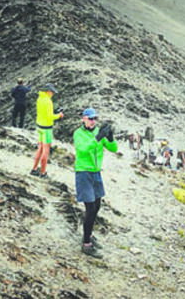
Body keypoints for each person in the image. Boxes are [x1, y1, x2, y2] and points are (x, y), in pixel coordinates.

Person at [74, 107, 118, 258]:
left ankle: (89, 234)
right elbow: (83, 150)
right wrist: (98, 138)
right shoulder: (78, 133)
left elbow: (114, 149)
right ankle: (86, 244)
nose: (93, 121)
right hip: (83, 172)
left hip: (96, 173)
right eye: (90, 118)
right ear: (83, 119)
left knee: (97, 206)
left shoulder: (98, 131)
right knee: (90, 208)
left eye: (95, 119)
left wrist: (110, 137)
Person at [30, 84, 63, 178]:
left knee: (39, 148)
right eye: (52, 92)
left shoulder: (39, 98)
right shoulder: (48, 101)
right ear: (49, 91)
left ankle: (34, 169)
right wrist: (58, 115)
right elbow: (49, 116)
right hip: (46, 129)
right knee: (45, 151)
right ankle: (43, 173)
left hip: (39, 127)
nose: (52, 94)